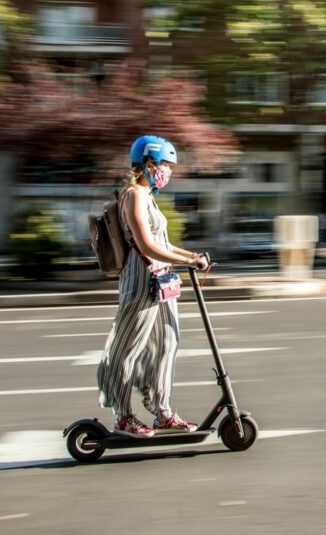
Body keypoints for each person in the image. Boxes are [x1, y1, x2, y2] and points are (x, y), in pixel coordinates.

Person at [97, 135, 210, 438]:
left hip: (162, 280)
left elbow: (162, 242)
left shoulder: (148, 196)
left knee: (166, 344)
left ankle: (163, 413)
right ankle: (123, 416)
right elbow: (146, 245)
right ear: (149, 163)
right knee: (127, 349)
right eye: (165, 165)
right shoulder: (133, 195)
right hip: (141, 280)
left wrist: (192, 256)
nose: (169, 172)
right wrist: (188, 263)